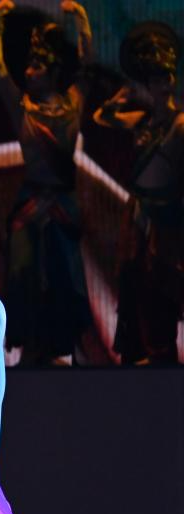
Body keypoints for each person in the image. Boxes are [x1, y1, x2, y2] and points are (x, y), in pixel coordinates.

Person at [0, 0, 93, 365]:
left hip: (62, 206)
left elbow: (87, 65)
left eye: (36, 65)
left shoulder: (73, 104)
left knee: (66, 279)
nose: (28, 71)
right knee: (23, 275)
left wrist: (82, 21)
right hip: (31, 206)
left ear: (52, 71)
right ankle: (30, 348)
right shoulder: (24, 109)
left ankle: (62, 348)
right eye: (28, 65)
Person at [94, 22, 183, 365]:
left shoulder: (180, 125)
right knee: (137, 295)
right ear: (148, 83)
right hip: (138, 222)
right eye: (157, 77)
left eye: (168, 74)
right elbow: (103, 117)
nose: (164, 82)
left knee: (161, 299)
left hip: (167, 224)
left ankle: (164, 368)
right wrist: (116, 101)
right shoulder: (142, 121)